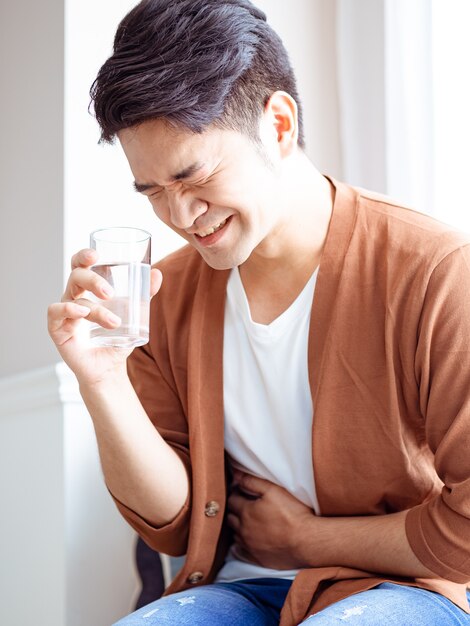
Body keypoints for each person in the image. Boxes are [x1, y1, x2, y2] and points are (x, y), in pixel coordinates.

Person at [47, 0, 470, 624]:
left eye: (195, 178)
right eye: (154, 192)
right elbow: (175, 526)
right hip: (237, 593)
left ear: (277, 124)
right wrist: (102, 380)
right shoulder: (165, 291)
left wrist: (310, 540)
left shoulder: (432, 269)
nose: (180, 216)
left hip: (402, 588)